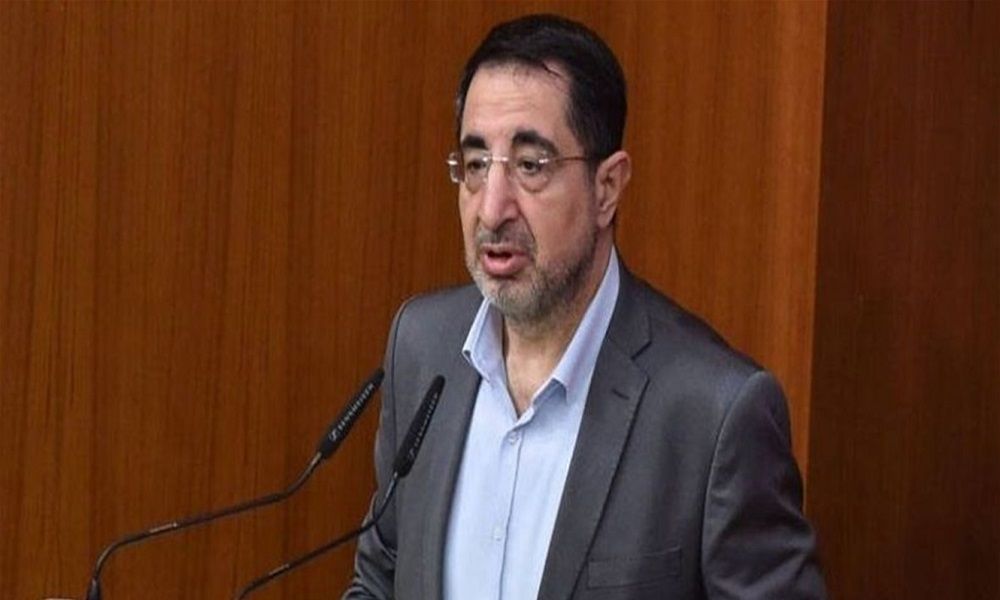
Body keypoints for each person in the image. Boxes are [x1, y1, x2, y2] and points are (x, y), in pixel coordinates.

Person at [345, 13, 825, 600]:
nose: (491, 208)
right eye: (475, 165)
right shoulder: (421, 348)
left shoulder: (713, 414)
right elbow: (379, 578)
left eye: (531, 166)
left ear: (607, 188)